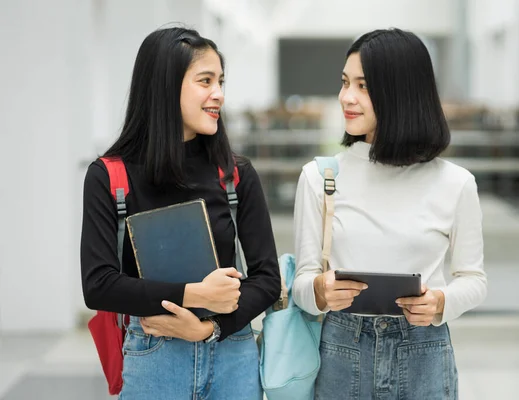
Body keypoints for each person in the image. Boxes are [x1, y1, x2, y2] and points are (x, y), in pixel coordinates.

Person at [80, 27, 280, 400]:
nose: (218, 93)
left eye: (221, 81)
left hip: (232, 356)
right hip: (154, 357)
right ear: (165, 87)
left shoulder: (236, 175)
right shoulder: (110, 176)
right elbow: (98, 285)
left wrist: (209, 327)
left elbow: (268, 279)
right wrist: (193, 294)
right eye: (205, 81)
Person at [293, 28, 487, 400]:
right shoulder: (319, 177)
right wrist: (319, 291)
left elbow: (473, 279)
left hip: (424, 353)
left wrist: (441, 302)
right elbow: (303, 281)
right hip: (340, 351)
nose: (346, 97)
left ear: (401, 92)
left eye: (364, 86)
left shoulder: (455, 183)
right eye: (345, 82)